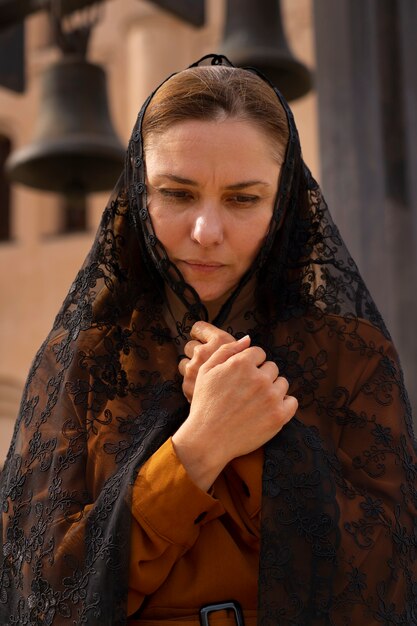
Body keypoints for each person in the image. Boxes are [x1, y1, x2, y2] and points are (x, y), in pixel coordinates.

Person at [0, 54, 416, 626]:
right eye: (176, 193)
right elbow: (38, 596)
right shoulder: (86, 362)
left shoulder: (352, 357)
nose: (206, 232)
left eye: (243, 199)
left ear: (285, 204)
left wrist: (260, 441)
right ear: (140, 201)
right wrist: (198, 447)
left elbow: (387, 583)